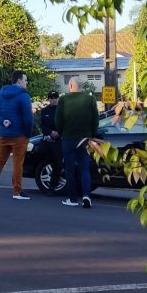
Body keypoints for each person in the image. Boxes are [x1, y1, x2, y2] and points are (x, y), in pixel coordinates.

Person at [0, 70, 34, 200]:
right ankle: (17, 191)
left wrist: (2, 121)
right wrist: (28, 134)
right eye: (25, 80)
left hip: (4, 134)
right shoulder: (23, 96)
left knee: (0, 161)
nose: (26, 82)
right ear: (19, 80)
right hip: (19, 135)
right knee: (18, 163)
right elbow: (28, 118)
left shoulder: (1, 94)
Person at [55, 76, 98, 209]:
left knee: (69, 170)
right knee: (85, 169)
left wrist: (61, 132)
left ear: (71, 86)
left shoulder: (63, 99)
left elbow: (58, 120)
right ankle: (86, 196)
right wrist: (91, 135)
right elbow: (95, 120)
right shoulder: (90, 99)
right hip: (84, 139)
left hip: (68, 138)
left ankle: (73, 198)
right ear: (81, 86)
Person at [38, 91, 63, 194]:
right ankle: (46, 184)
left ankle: (52, 186)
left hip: (59, 140)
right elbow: (42, 125)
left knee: (58, 163)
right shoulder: (45, 110)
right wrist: (49, 132)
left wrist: (58, 133)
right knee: (46, 161)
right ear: (48, 99)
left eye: (55, 97)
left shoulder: (62, 110)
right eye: (51, 98)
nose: (53, 99)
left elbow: (65, 124)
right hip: (48, 140)